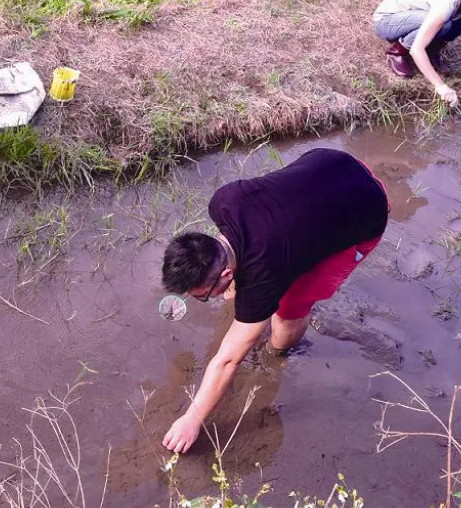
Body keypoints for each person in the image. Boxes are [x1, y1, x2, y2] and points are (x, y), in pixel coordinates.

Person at [159, 148, 389, 454]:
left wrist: (192, 418)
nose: (205, 300)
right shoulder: (224, 202)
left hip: (368, 206)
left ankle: (280, 352)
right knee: (282, 270)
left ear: (226, 274)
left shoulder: (263, 279)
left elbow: (228, 360)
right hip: (338, 163)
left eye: (203, 296)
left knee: (289, 310)